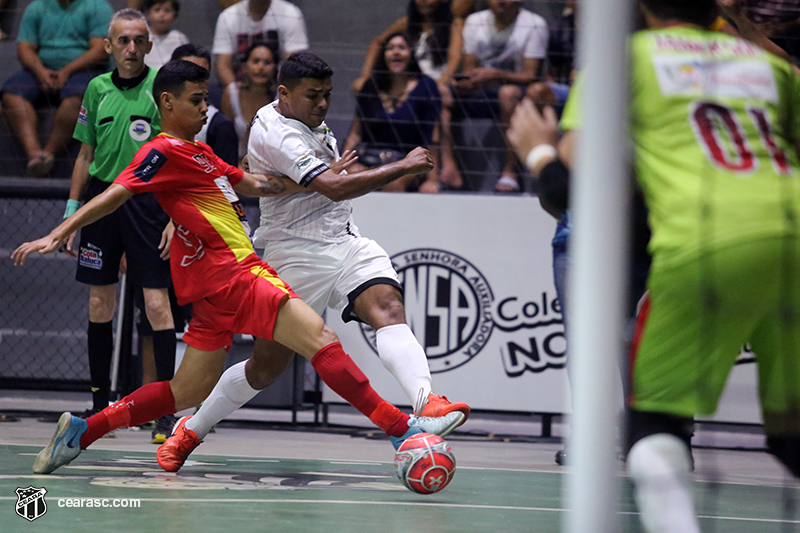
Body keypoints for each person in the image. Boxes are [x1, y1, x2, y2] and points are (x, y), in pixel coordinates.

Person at [14, 59, 463, 476]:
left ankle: (85, 430)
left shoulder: (199, 152)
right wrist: (59, 230)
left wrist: (321, 177)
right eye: (195, 100)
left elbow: (254, 183)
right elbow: (117, 192)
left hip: (214, 290)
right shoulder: (163, 150)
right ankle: (402, 431)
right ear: (166, 103)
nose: (204, 106)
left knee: (183, 393)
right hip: (238, 274)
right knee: (322, 341)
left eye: (206, 98)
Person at [156, 52, 470, 472]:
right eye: (312, 96)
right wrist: (403, 166)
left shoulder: (304, 118)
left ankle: (426, 403)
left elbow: (327, 189)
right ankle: (191, 428)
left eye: (327, 95)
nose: (322, 104)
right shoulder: (276, 131)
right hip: (295, 252)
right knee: (265, 369)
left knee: (389, 309)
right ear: (283, 93)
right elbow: (333, 189)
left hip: (345, 240)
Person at [553, 0, 800, 530]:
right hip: (794, 233)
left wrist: (533, 152)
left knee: (653, 427)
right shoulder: (770, 66)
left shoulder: (624, 61)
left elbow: (564, 187)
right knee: (790, 434)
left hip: (706, 243)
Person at [62, 8, 177, 444]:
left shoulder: (161, 89)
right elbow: (85, 156)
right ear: (108, 46)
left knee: (157, 306)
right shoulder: (96, 89)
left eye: (139, 40)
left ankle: (164, 414)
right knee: (99, 305)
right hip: (102, 200)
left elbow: (176, 156)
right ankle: (99, 406)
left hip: (147, 203)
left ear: (149, 45)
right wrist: (73, 212)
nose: (131, 48)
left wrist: (173, 216)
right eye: (123, 40)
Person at [352, 0, 474, 189]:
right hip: (401, 80)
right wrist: (364, 76)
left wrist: (437, 84)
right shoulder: (406, 23)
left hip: (436, 83)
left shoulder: (453, 24)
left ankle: (448, 164)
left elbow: (454, 60)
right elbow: (378, 42)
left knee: (437, 99)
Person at [0, 0, 113, 177]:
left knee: (79, 97)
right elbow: (24, 47)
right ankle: (35, 155)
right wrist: (41, 72)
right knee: (12, 93)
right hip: (42, 70)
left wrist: (66, 71)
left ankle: (49, 154)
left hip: (84, 70)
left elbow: (101, 50)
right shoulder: (36, 7)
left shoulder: (97, 6)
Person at [453, 0, 548, 192]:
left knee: (508, 93)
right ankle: (445, 168)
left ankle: (510, 170)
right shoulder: (474, 21)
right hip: (481, 89)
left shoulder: (535, 23)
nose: (501, 1)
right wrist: (465, 82)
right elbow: (470, 67)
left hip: (517, 89)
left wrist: (496, 76)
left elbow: (531, 75)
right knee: (440, 92)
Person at [344, 33, 442, 193]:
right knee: (353, 176)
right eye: (391, 48)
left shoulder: (426, 87)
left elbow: (433, 136)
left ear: (411, 54)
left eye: (402, 48)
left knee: (394, 181)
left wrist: (432, 180)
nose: (396, 52)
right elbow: (356, 133)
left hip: (408, 163)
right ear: (384, 55)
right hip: (369, 159)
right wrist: (342, 166)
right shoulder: (372, 86)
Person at [212, 0, 308, 88]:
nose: (260, 67)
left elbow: (293, 64)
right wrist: (236, 95)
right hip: (241, 91)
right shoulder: (228, 17)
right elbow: (223, 65)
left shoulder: (290, 14)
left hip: (278, 91)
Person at [170, 43, 239, 167]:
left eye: (202, 73)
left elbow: (227, 181)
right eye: (188, 72)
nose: (196, 78)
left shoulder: (220, 126)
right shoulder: (152, 111)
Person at [221, 42, 277, 161]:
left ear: (275, 67)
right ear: (245, 66)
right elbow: (224, 139)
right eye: (256, 61)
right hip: (237, 163)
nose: (261, 67)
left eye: (267, 62)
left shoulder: (281, 97)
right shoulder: (232, 93)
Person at [142, 0, 189, 71]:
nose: (162, 15)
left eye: (167, 11)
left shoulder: (180, 38)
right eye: (157, 10)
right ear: (148, 14)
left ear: (175, 16)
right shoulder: (142, 36)